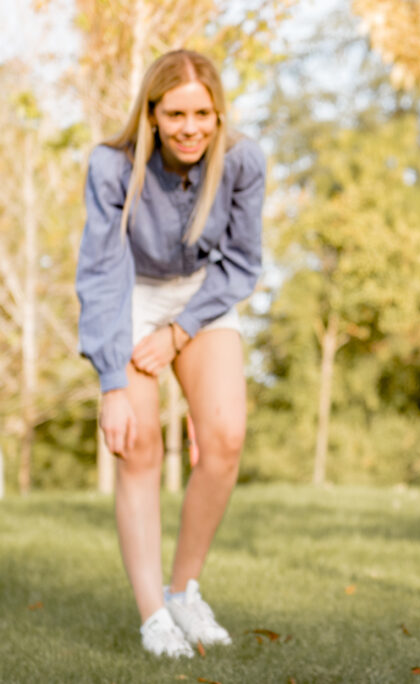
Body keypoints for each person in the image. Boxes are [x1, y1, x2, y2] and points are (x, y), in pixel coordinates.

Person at [76, 49, 265, 658]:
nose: (191, 127)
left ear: (218, 113)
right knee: (138, 444)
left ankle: (183, 590)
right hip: (128, 291)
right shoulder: (112, 165)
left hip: (202, 297)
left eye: (203, 113)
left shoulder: (241, 160)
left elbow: (240, 264)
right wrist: (112, 381)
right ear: (152, 113)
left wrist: (179, 331)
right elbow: (102, 271)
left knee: (225, 437)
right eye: (176, 113)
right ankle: (153, 615)